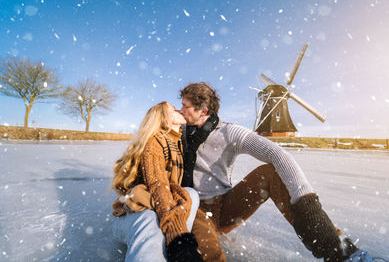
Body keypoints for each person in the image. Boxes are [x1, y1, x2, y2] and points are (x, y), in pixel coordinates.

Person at [178, 82, 373, 262]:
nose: (181, 110)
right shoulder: (179, 132)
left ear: (203, 110)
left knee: (270, 173)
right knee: (206, 252)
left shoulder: (229, 132)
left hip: (225, 204)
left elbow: (277, 153)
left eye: (185, 106)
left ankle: (337, 249)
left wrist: (307, 203)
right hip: (195, 207)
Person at [111, 101, 203, 262]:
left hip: (157, 205)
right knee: (151, 220)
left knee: (190, 194)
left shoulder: (176, 143)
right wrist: (179, 240)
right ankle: (176, 246)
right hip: (134, 216)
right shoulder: (155, 141)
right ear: (163, 119)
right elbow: (158, 185)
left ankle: (173, 250)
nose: (180, 110)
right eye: (174, 110)